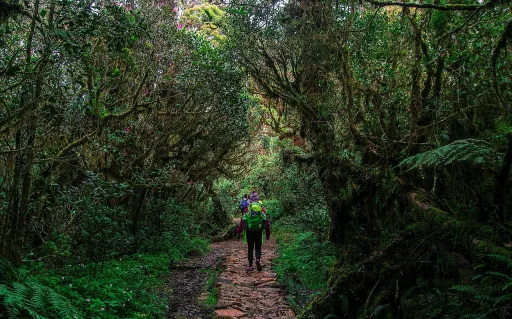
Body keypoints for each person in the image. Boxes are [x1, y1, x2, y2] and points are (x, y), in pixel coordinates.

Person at [236, 192, 270, 272]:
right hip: (258, 230)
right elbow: (266, 221)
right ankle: (257, 259)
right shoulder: (261, 209)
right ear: (257, 199)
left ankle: (250, 266)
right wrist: (268, 233)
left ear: (250, 200)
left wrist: (238, 232)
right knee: (258, 246)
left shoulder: (247, 209)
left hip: (249, 230)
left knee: (250, 247)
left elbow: (242, 222)